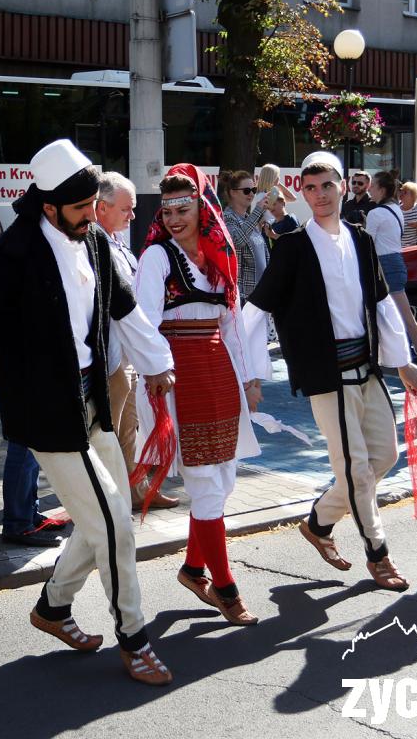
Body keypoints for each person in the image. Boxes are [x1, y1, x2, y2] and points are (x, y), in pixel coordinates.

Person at [0, 139, 178, 686]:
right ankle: (134, 638)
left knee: (103, 520)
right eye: (82, 207)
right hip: (45, 410)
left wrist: (159, 364)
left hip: (93, 401)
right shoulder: (12, 253)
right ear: (48, 206)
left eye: (94, 204)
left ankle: (53, 606)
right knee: (113, 523)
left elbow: (126, 310)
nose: (93, 215)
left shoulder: (93, 239)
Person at [244, 151, 417, 592]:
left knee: (385, 457)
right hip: (326, 375)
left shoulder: (360, 239)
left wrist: (402, 362)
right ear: (302, 194)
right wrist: (249, 373)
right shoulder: (292, 247)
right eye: (310, 188)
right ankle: (378, 554)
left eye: (327, 185)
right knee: (356, 469)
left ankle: (320, 522)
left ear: (343, 187)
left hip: (367, 368)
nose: (320, 194)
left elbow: (380, 302)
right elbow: (255, 310)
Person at [135, 168, 263, 626]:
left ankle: (193, 568)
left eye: (182, 209)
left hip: (219, 373)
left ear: (201, 208)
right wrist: (156, 372)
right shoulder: (157, 257)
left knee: (222, 479)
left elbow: (232, 324)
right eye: (167, 210)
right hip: (180, 375)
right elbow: (143, 323)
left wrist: (248, 379)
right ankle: (226, 588)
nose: (173, 219)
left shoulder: (218, 255)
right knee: (206, 482)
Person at [96, 171, 179, 510]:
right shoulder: (94, 246)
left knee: (129, 428)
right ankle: (109, 500)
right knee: (109, 434)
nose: (132, 215)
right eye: (126, 209)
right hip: (111, 355)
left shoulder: (115, 243)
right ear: (102, 207)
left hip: (127, 354)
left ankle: (135, 490)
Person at [366, 170, 417, 362]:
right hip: (395, 261)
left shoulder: (376, 213)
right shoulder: (396, 209)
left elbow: (367, 244)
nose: (369, 189)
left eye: (372, 186)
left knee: (400, 319)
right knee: (405, 320)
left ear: (382, 190)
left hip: (384, 265)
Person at [220, 169, 268, 301]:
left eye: (254, 190)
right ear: (233, 192)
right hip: (243, 296)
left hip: (260, 296)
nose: (251, 194)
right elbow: (236, 241)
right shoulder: (227, 218)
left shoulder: (249, 219)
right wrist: (257, 211)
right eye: (246, 190)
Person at [254, 163, 299, 240]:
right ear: (272, 177)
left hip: (273, 228)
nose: (279, 178)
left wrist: (277, 184)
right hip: (274, 229)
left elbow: (293, 198)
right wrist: (278, 184)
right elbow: (293, 198)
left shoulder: (263, 193)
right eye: (277, 176)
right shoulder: (267, 195)